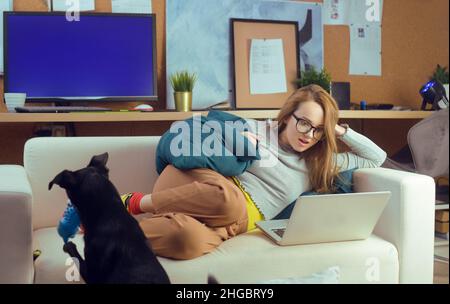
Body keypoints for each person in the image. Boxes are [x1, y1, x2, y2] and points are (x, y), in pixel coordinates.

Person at [121, 84, 387, 260]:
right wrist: (237, 138)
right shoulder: (256, 129)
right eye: (304, 123)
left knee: (185, 241)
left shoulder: (317, 163)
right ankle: (134, 202)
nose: (309, 135)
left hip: (231, 225)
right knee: (230, 201)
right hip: (194, 185)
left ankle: (111, 227)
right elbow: (195, 132)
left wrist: (337, 128)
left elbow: (375, 157)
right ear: (287, 116)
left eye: (318, 130)